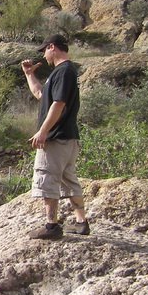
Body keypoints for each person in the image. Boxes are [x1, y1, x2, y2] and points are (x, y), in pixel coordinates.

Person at [21, 33, 89, 240]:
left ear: (52, 47)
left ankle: (51, 226)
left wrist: (43, 131)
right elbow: (42, 95)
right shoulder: (64, 72)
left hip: (56, 137)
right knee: (68, 179)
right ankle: (81, 223)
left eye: (44, 50)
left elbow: (58, 104)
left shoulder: (64, 71)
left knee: (47, 177)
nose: (44, 55)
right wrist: (29, 75)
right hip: (67, 137)